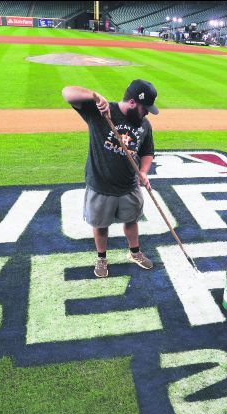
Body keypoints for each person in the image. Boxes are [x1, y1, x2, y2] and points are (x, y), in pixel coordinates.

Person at [62, 80, 159, 278]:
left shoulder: (144, 125)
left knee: (131, 221)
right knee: (100, 225)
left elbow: (147, 151)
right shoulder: (100, 111)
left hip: (129, 186)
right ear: (132, 102)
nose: (147, 113)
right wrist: (95, 96)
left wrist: (144, 172)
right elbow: (67, 92)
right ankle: (101, 258)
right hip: (100, 185)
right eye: (144, 108)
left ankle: (135, 253)